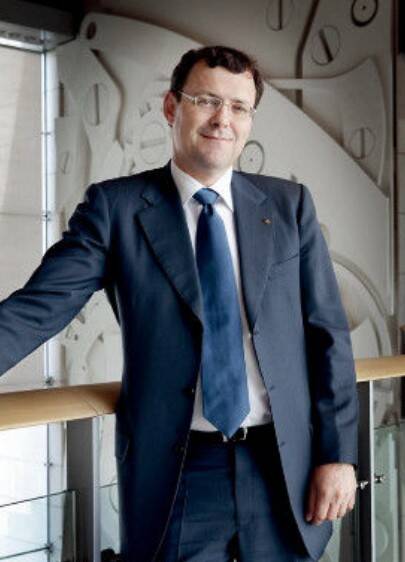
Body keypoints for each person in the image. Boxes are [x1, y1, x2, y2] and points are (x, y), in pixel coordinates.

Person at [0, 45, 358, 561]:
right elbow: (39, 307)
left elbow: (328, 334)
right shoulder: (116, 208)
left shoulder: (288, 205)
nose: (223, 119)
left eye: (239, 107)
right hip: (179, 474)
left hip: (284, 467)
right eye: (207, 100)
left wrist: (338, 455)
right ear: (172, 107)